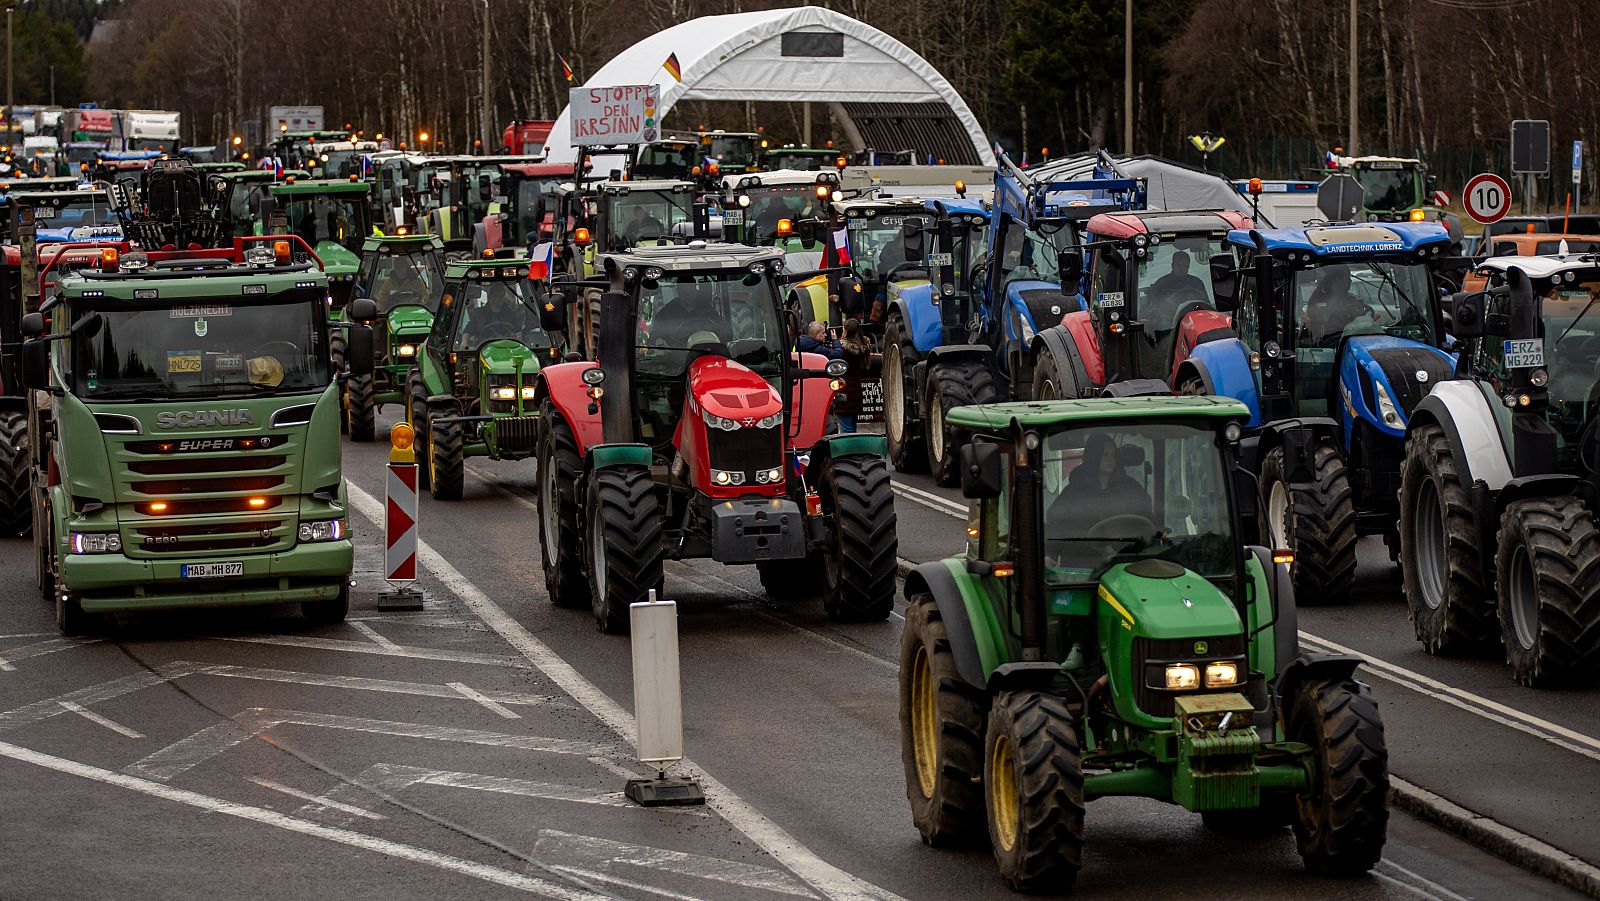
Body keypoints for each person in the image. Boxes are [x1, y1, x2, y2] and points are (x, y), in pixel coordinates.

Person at [1049, 433, 1152, 537]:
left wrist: (1161, 538)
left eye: (1113, 455)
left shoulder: (1130, 488)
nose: (1110, 459)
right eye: (1105, 455)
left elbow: (1147, 520)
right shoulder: (1074, 492)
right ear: (1093, 457)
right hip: (1086, 551)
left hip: (1127, 550)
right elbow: (1056, 525)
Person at [1302, 266, 1365, 344]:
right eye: (1347, 277)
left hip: (1352, 339)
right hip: (1326, 341)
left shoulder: (1351, 299)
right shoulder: (1319, 299)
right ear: (1337, 279)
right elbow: (1314, 317)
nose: (1350, 280)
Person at [836, 319, 874, 434]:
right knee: (852, 428)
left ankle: (849, 451)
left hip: (845, 391)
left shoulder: (842, 349)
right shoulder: (864, 346)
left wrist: (834, 342)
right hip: (856, 389)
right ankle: (855, 449)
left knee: (846, 431)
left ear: (847, 330)